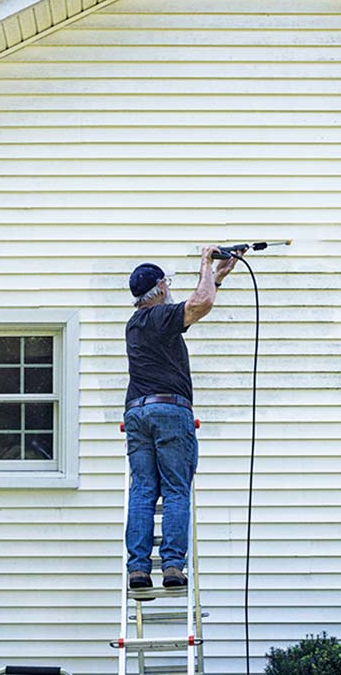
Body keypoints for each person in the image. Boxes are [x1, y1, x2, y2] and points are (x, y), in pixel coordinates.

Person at [123, 246, 240, 589]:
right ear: (160, 287)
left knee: (143, 489)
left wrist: (217, 276)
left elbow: (198, 300)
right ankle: (173, 566)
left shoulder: (137, 324)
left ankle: (138, 569)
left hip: (137, 412)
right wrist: (206, 261)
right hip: (169, 410)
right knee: (175, 488)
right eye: (168, 283)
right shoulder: (161, 316)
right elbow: (199, 305)